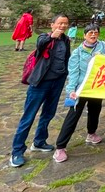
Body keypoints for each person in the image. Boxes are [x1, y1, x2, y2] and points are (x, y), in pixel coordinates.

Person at [10, 14, 70, 167]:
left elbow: (66, 59)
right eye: (60, 23)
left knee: (48, 114)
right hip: (40, 83)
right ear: (52, 24)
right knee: (28, 116)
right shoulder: (44, 37)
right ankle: (17, 151)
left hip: (57, 82)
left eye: (65, 23)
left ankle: (39, 141)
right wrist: (51, 37)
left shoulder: (66, 40)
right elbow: (40, 45)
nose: (63, 26)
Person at [53, 23, 105, 162]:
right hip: (81, 88)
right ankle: (60, 147)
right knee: (73, 115)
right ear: (84, 35)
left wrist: (102, 56)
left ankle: (91, 134)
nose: (93, 35)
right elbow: (73, 73)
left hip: (97, 86)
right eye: (90, 33)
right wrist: (71, 90)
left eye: (96, 32)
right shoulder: (78, 52)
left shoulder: (103, 46)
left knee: (95, 111)